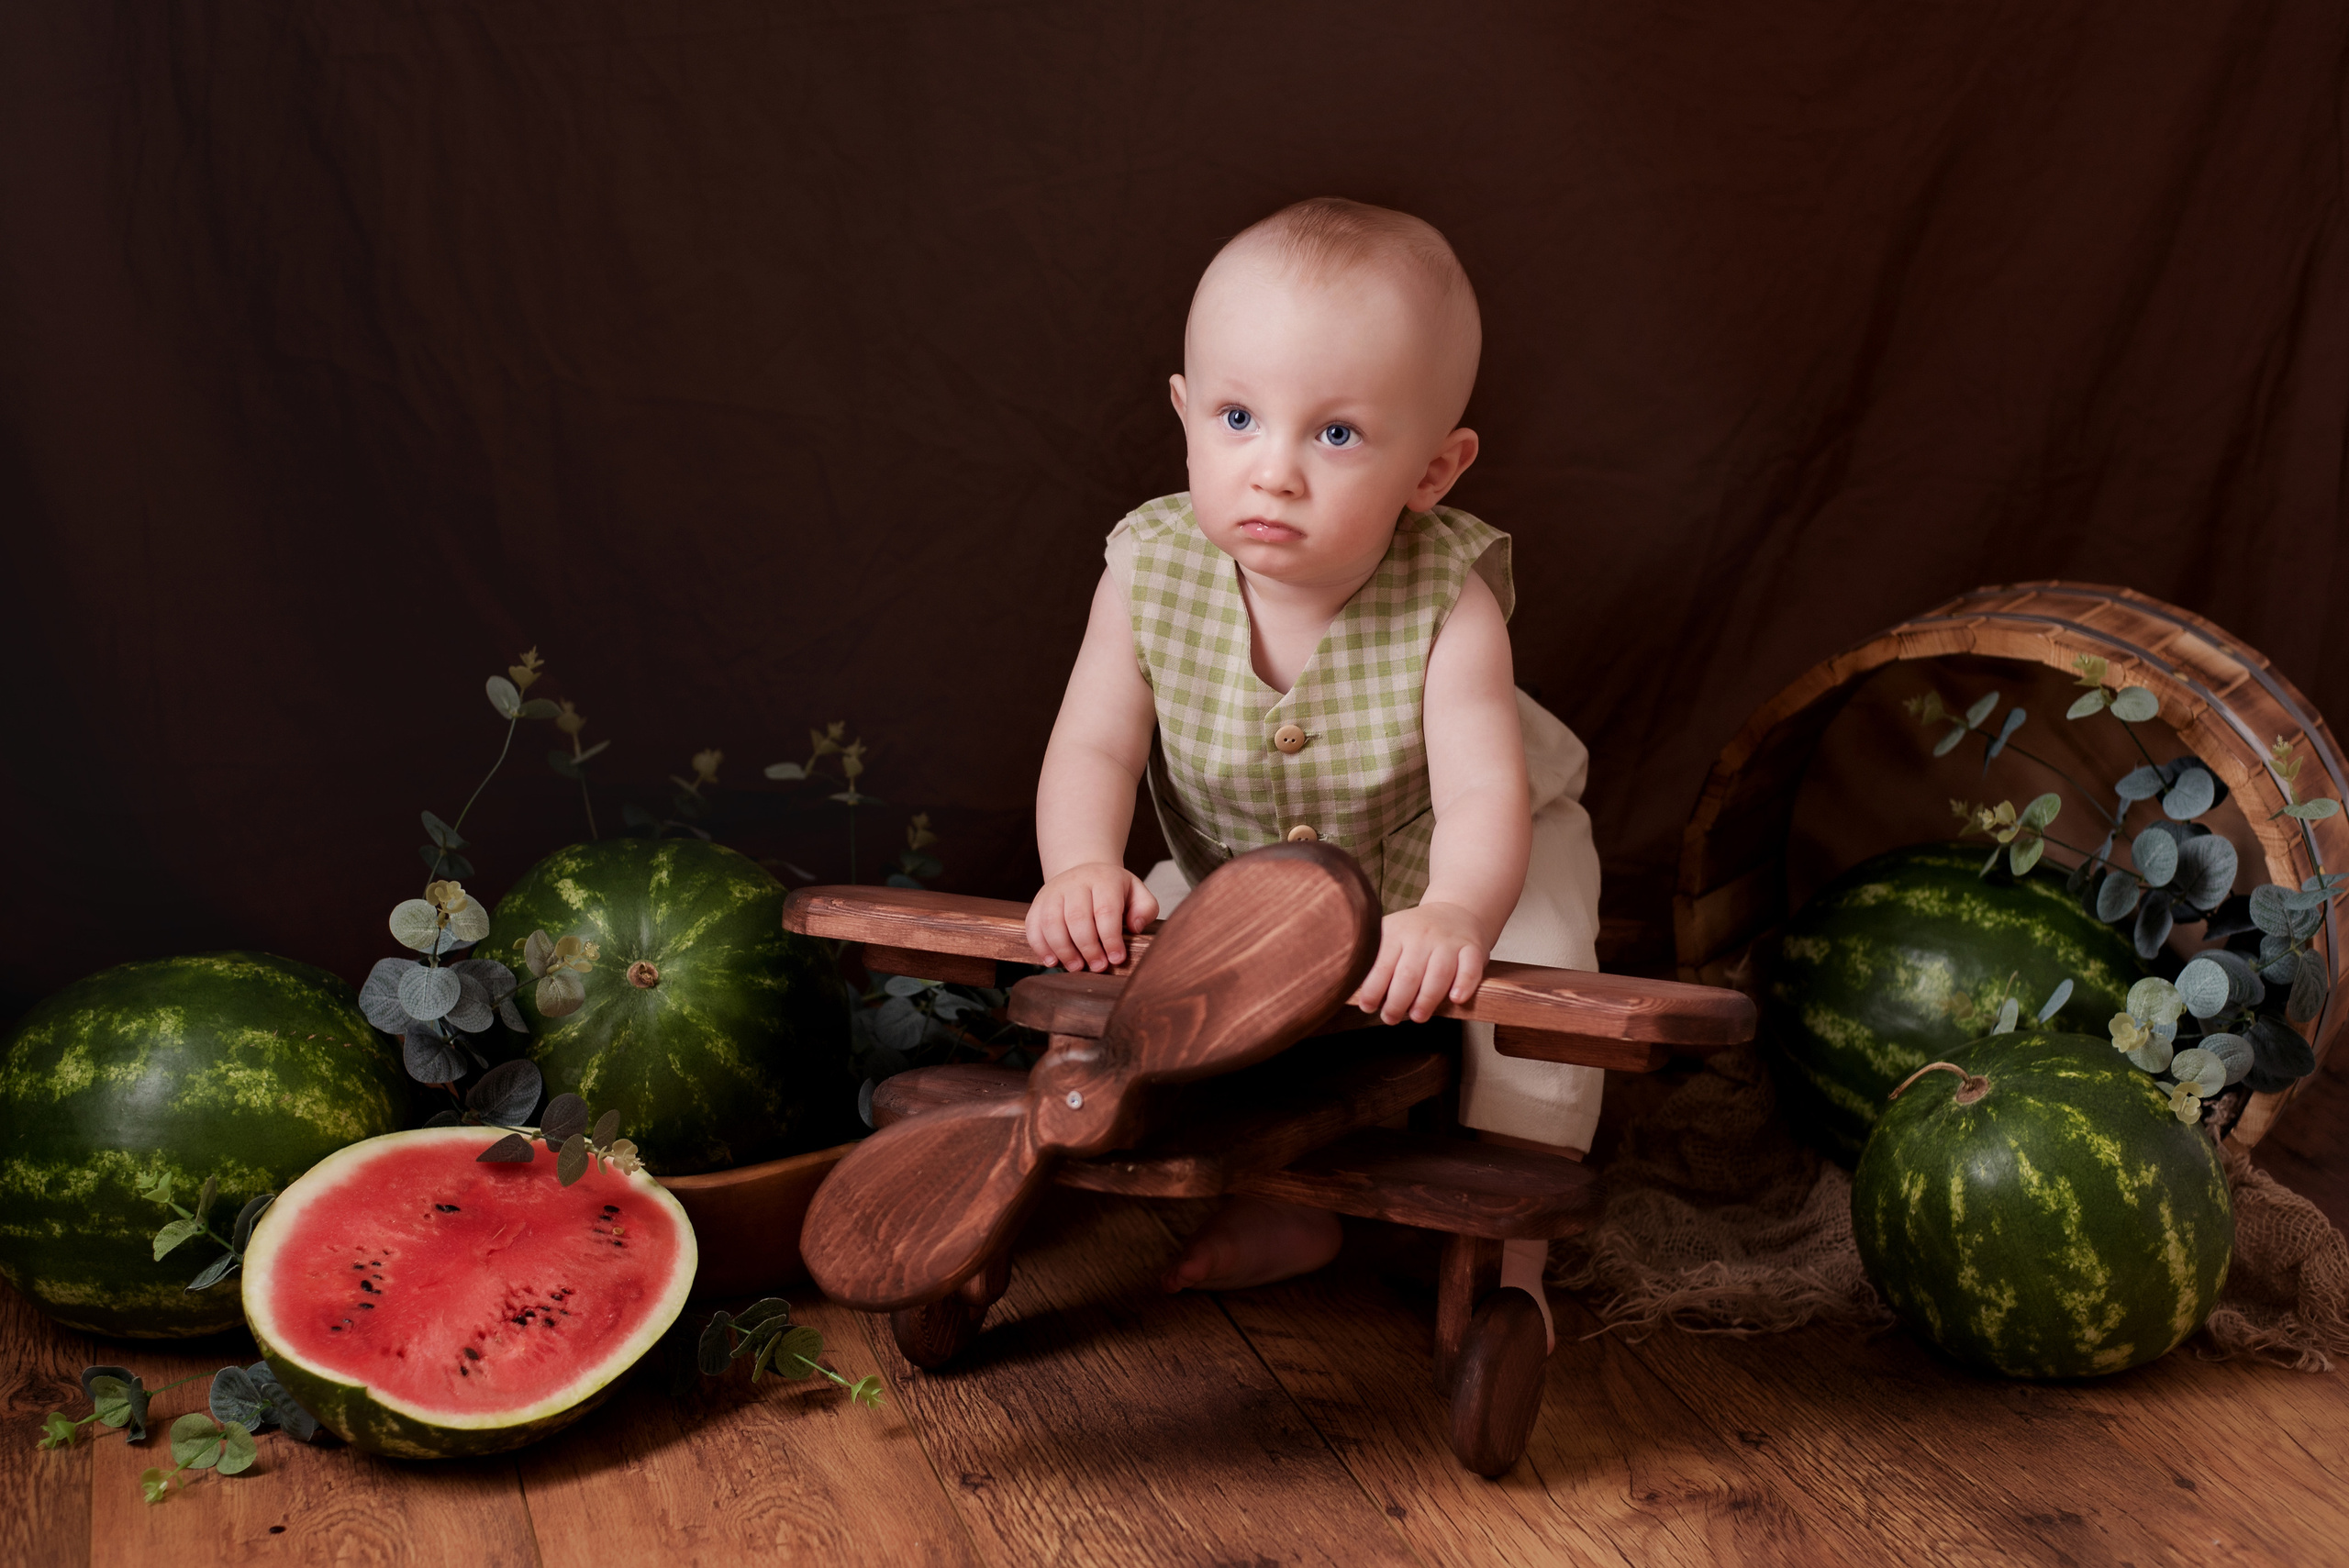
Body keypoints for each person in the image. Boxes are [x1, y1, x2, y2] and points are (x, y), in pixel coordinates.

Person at [1023, 197, 1601, 1344]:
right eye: (1238, 417)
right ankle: (1284, 1208)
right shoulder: (1147, 570)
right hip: (1253, 870)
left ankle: (1511, 1246)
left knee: (1543, 994)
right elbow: (1093, 743)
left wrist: (1453, 908)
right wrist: (1081, 864)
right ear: (1186, 414)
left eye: (1334, 434)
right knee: (1169, 989)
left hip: (1466, 854)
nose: (1272, 471)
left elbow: (1484, 794)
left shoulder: (1449, 599)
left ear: (1432, 467)